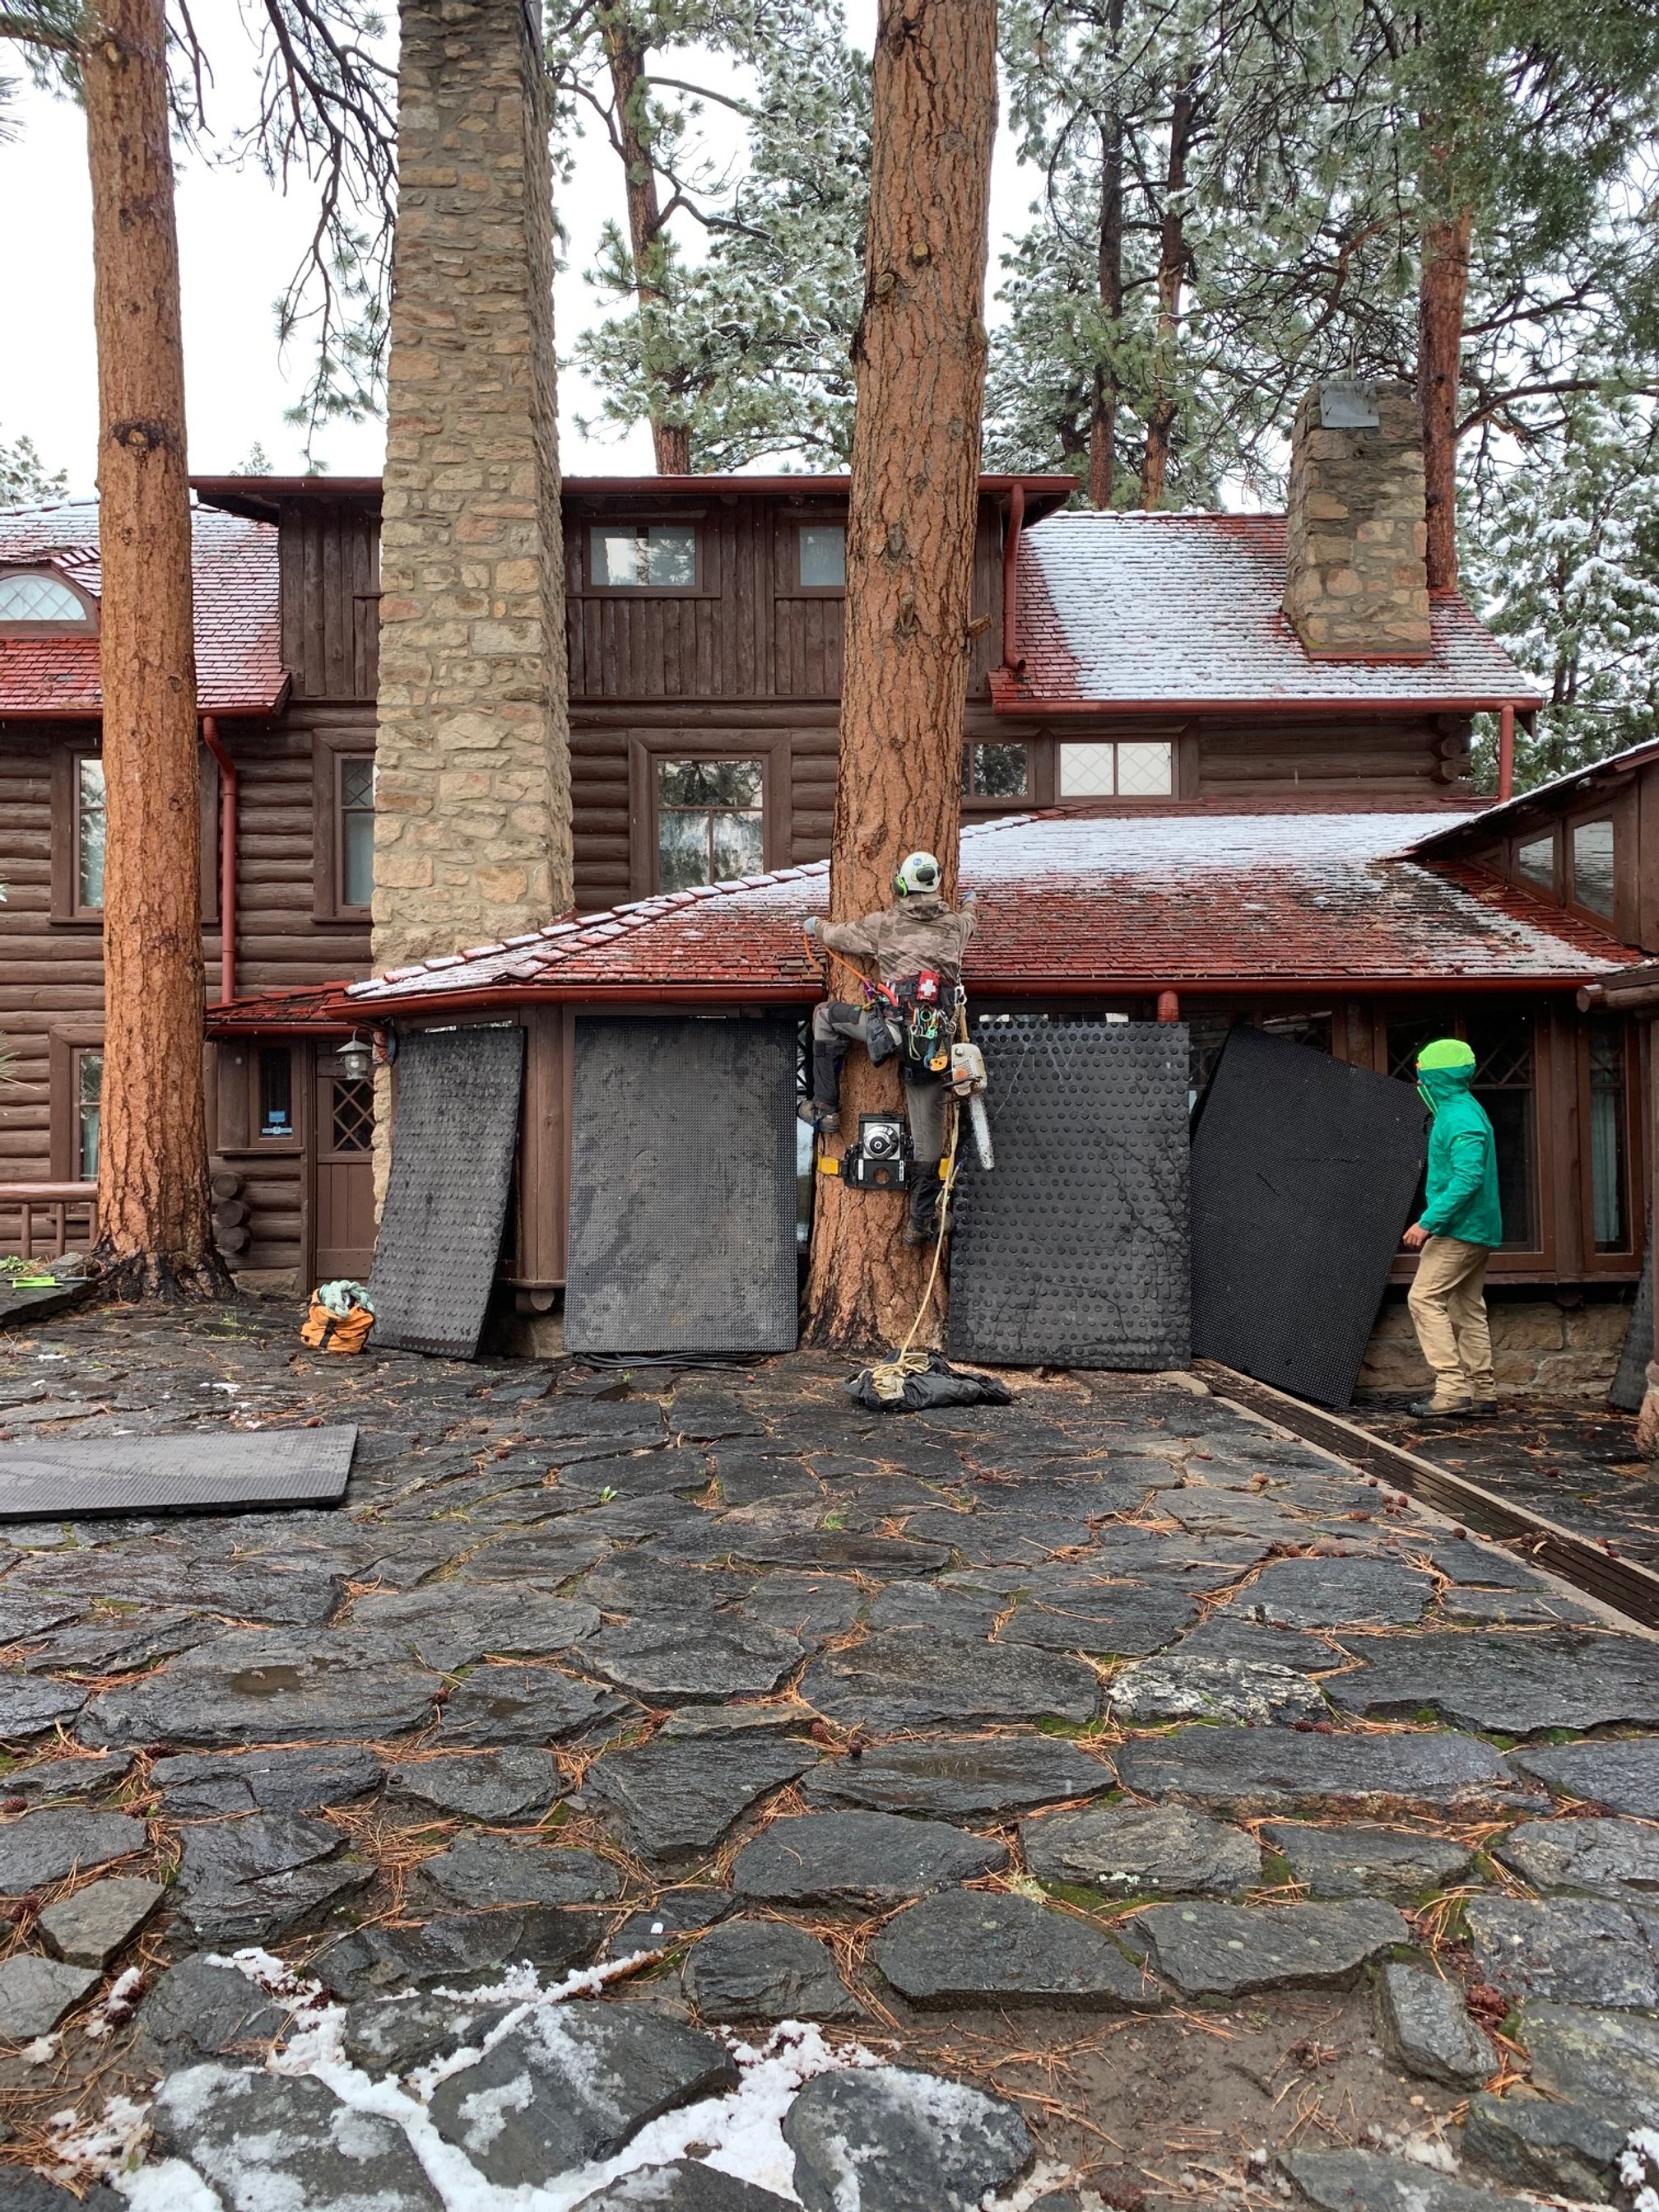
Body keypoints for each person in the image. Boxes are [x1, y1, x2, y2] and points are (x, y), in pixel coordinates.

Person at [802, 851, 975, 1246]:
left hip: (888, 1031)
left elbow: (836, 936)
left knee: (825, 1016)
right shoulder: (955, 927)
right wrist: (970, 902)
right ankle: (921, 1222)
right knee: (929, 1137)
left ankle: (825, 1109)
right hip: (934, 1046)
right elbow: (970, 920)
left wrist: (813, 925)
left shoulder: (884, 924)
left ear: (900, 885)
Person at [1403, 1037, 1503, 1420]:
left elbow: (1467, 1178)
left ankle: (1452, 1390)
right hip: (1473, 1228)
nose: (1417, 1078)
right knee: (1466, 1307)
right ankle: (1482, 1393)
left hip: (1459, 1230)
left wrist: (1427, 1223)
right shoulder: (1462, 1109)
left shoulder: (1458, 1117)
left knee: (1424, 1299)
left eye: (1421, 1071)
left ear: (1435, 1076)